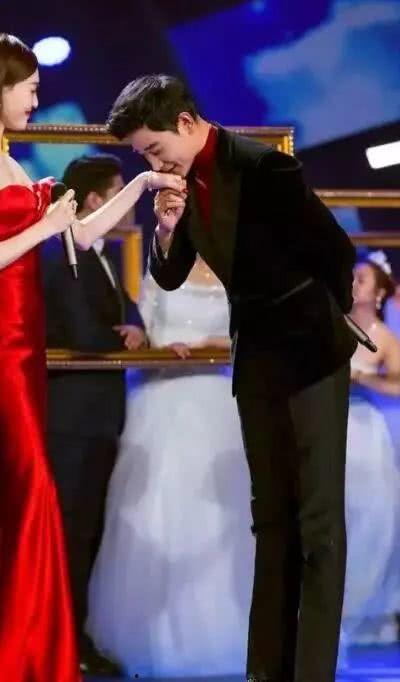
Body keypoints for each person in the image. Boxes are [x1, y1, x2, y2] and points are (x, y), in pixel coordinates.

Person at [0, 35, 184, 682]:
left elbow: (82, 235)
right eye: (30, 88)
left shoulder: (9, 163)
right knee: (29, 489)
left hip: (23, 342)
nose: (37, 99)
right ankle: (21, 659)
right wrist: (41, 226)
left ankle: (2, 653)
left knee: (10, 493)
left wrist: (142, 183)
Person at [107, 74, 357, 682]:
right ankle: (265, 671)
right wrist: (168, 227)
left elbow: (336, 253)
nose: (152, 163)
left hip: (311, 357)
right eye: (143, 155)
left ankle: (312, 673)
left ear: (186, 122)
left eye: (154, 148)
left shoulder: (265, 167)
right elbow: (170, 277)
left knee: (318, 524)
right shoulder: (182, 182)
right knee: (270, 520)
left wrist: (316, 319)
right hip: (257, 364)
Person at [88, 258, 254, 676]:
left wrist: (209, 346)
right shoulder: (159, 273)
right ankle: (155, 633)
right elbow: (146, 333)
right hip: (164, 396)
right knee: (159, 508)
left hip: (218, 400)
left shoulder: (236, 272)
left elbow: (252, 335)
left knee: (224, 515)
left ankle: (231, 628)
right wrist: (157, 346)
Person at [42, 154, 146, 675]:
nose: (131, 205)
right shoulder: (61, 252)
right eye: (121, 193)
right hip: (70, 419)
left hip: (100, 417)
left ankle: (74, 640)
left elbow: (130, 312)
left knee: (87, 533)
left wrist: (136, 329)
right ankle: (55, 643)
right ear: (95, 201)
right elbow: (82, 331)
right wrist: (120, 338)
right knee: (65, 535)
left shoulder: (102, 257)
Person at [342, 251, 400, 647]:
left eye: (361, 278)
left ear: (378, 293)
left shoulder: (385, 338)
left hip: (365, 431)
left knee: (371, 519)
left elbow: (397, 384)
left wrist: (364, 380)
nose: (353, 283)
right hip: (332, 424)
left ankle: (362, 610)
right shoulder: (335, 325)